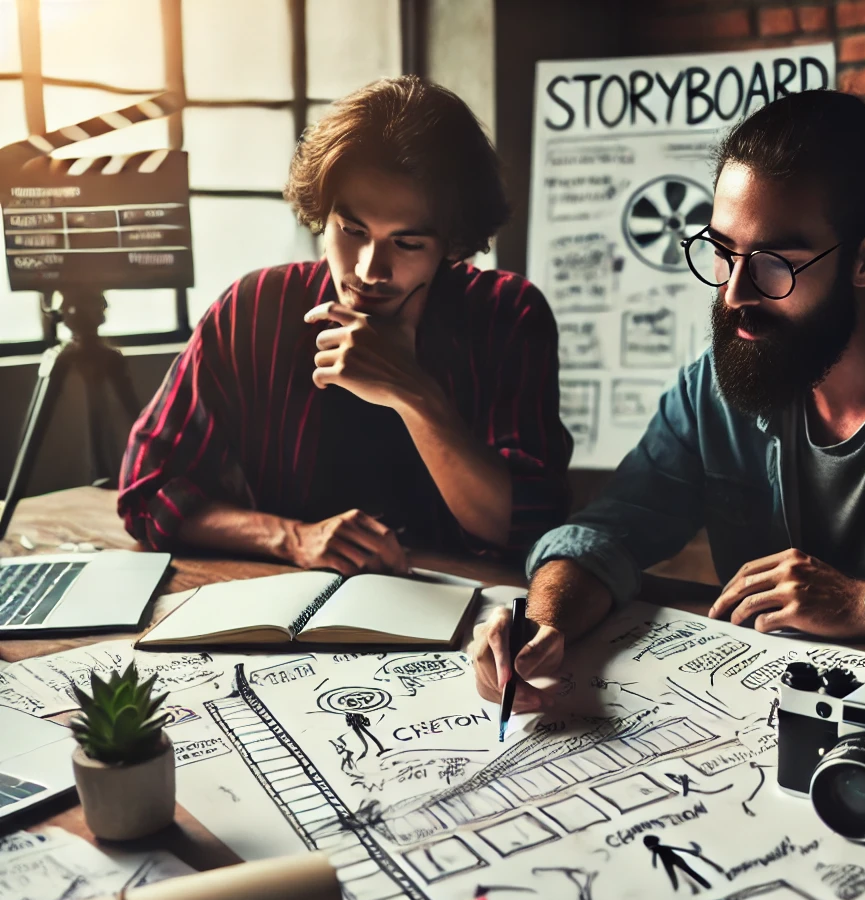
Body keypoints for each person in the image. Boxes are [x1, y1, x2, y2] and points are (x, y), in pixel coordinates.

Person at [473, 89, 865, 710]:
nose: (735, 292)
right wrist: (543, 623)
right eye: (722, 250)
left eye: (773, 263)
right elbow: (608, 533)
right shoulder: (712, 386)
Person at [119, 76, 571, 574]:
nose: (368, 270)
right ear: (321, 215)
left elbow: (531, 525)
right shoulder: (255, 309)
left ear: (454, 245)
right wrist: (292, 537)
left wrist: (413, 394)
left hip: (469, 613)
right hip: (288, 605)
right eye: (351, 231)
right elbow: (148, 489)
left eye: (408, 243)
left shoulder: (508, 315)